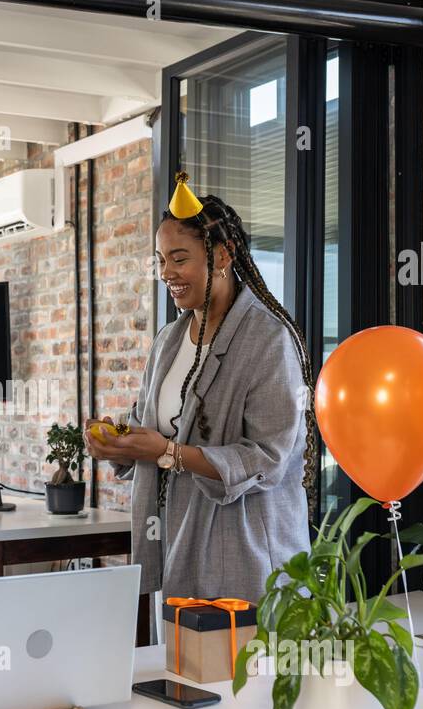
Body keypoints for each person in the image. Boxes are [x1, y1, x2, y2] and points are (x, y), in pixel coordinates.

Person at [85, 172, 314, 627]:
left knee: (240, 690)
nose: (166, 272)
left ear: (222, 255)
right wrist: (117, 437)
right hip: (177, 544)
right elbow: (151, 420)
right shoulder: (169, 340)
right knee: (183, 684)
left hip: (248, 558)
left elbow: (267, 458)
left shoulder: (269, 341)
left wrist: (168, 454)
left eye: (179, 258)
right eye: (160, 260)